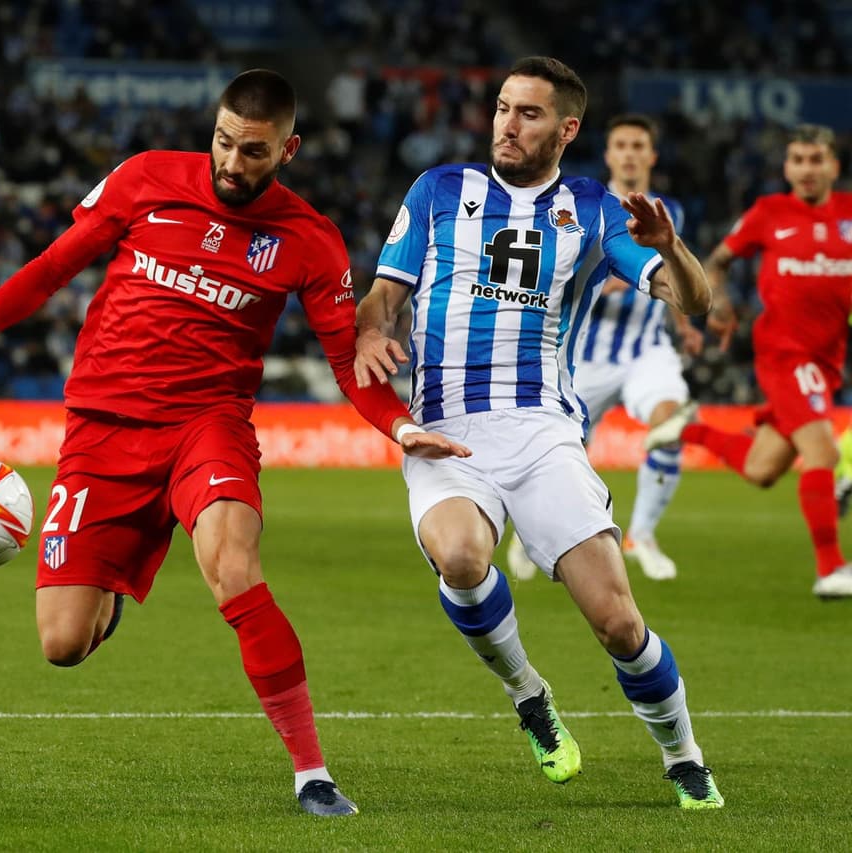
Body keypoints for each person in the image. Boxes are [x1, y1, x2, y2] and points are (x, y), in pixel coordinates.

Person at [0, 69, 468, 817]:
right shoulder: (146, 179)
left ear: (288, 150)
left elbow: (345, 363)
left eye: (254, 152)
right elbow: (53, 265)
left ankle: (312, 773)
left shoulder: (309, 239)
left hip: (208, 427)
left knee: (234, 567)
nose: (233, 162)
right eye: (225, 142)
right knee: (63, 643)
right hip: (101, 431)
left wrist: (398, 425)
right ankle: (115, 592)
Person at [355, 56, 724, 809]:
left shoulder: (590, 208)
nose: (507, 125)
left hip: (542, 430)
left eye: (526, 113)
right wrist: (370, 334)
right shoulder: (438, 190)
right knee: (460, 556)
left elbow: (695, 300)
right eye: (501, 108)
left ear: (566, 128)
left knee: (619, 621)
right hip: (443, 426)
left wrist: (670, 248)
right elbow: (384, 294)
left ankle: (682, 753)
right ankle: (530, 694)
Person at [647, 124, 852, 599]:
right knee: (822, 452)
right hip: (784, 352)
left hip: (828, 359)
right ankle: (831, 569)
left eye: (816, 159)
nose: (806, 168)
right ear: (786, 167)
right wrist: (717, 303)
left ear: (833, 166)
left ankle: (689, 428)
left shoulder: (848, 214)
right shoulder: (769, 213)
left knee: (763, 469)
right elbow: (717, 260)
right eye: (797, 159)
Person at [505, 114, 698, 582]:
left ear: (651, 156)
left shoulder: (670, 209)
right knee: (551, 456)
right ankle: (525, 532)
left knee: (670, 422)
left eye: (639, 145)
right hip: (585, 356)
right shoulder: (583, 204)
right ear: (609, 154)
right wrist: (607, 276)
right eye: (621, 145)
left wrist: (682, 321)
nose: (630, 153)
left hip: (645, 351)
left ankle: (643, 535)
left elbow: (672, 271)